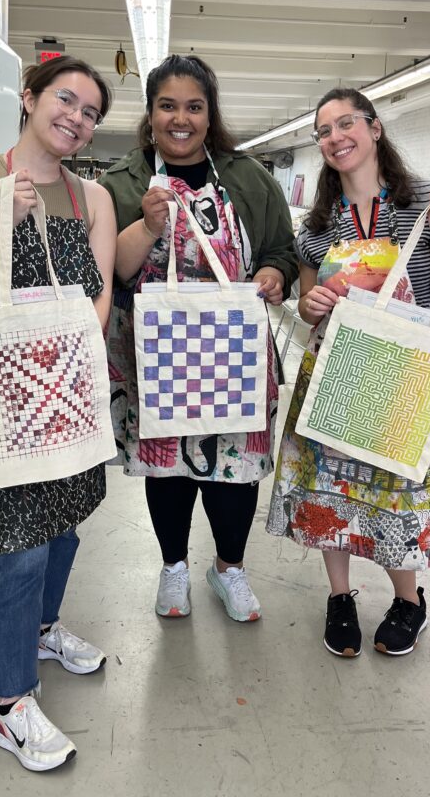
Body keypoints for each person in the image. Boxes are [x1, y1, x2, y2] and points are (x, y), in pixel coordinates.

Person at [0, 56, 117, 771]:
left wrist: (76, 353)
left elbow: (97, 293)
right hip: (4, 395)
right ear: (29, 98)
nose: (76, 116)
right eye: (65, 99)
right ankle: (9, 706)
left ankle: (42, 627)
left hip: (67, 385)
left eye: (90, 111)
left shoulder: (93, 198)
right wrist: (3, 219)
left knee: (66, 523)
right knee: (21, 544)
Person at [266, 87, 430, 658]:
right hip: (334, 367)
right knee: (331, 489)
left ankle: (410, 601)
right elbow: (311, 301)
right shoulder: (318, 225)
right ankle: (340, 597)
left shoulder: (425, 204)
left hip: (403, 373)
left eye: (345, 124)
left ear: (375, 127)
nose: (335, 137)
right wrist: (308, 305)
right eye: (323, 131)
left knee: (396, 488)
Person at [100, 54, 297, 623]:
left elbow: (280, 249)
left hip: (232, 348)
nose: (179, 119)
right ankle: (174, 567)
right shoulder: (123, 182)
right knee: (169, 467)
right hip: (154, 350)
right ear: (151, 112)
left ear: (210, 115)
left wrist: (274, 275)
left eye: (193, 106)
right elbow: (112, 270)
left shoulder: (247, 178)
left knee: (233, 470)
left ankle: (229, 568)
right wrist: (149, 224)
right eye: (167, 106)